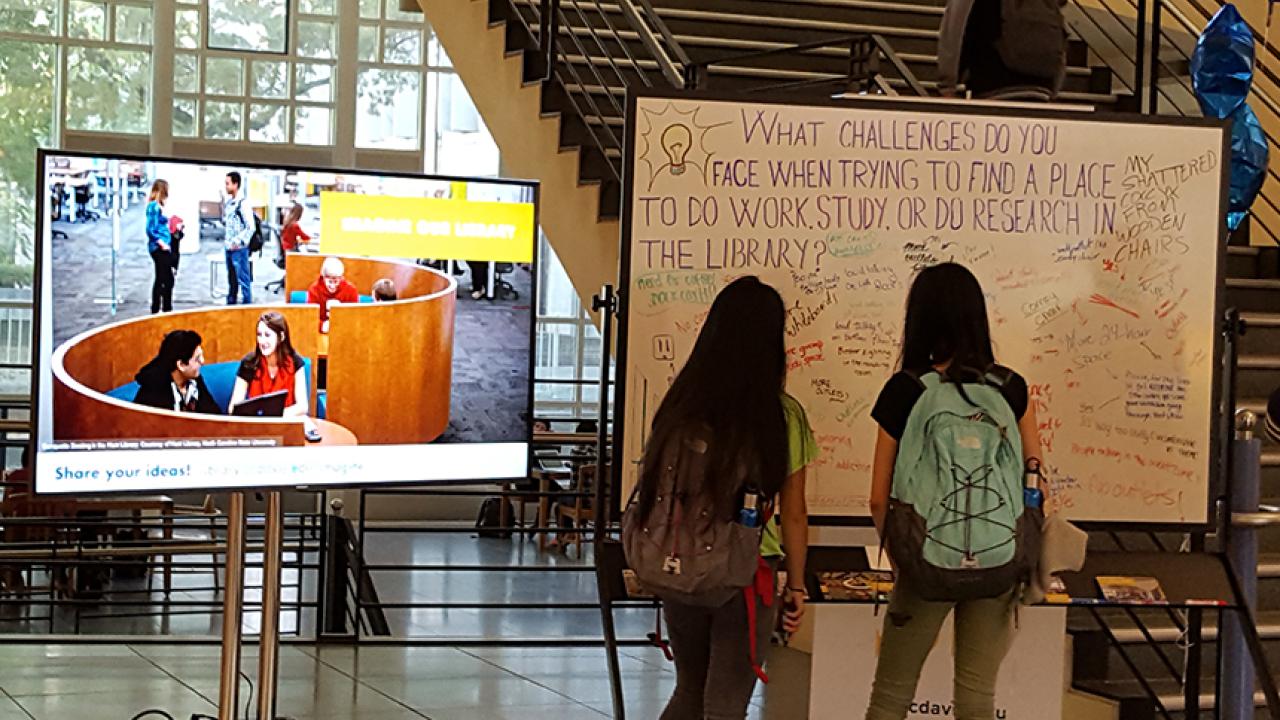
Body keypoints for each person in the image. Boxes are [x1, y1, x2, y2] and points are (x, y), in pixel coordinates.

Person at [864, 263, 1043, 720]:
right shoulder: (1011, 388)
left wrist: (909, 555)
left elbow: (878, 498)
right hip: (998, 563)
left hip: (925, 564)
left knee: (890, 698)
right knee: (977, 699)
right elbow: (1034, 483)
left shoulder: (905, 389)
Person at [634, 276, 813, 720]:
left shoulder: (679, 406)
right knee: (725, 706)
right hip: (746, 575)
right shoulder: (781, 415)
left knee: (689, 692)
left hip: (681, 564)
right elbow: (794, 512)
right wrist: (797, 584)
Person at [936, 0, 1066, 100]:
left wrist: (948, 83)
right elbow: (1057, 26)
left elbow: (956, 23)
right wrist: (1055, 84)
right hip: (1042, 85)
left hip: (992, 80)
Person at [230, 311, 309, 417]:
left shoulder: (296, 362)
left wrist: (274, 417)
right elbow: (233, 408)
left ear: (281, 337)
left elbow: (303, 407)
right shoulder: (249, 363)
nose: (262, 341)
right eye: (259, 335)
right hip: (256, 425)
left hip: (286, 423)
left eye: (267, 335)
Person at [133, 330, 223, 415]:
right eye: (197, 358)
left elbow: (213, 413)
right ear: (181, 365)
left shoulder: (195, 379)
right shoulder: (152, 394)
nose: (202, 361)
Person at [223, 171, 255, 305]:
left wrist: (238, 241)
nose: (225, 186)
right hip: (229, 248)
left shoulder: (243, 203)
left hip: (239, 249)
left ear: (235, 184)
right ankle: (231, 308)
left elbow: (250, 227)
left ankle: (246, 308)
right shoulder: (230, 203)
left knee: (243, 280)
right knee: (232, 281)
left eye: (228, 183)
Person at [307, 257, 359, 333]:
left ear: (341, 278)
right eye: (330, 281)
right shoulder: (314, 290)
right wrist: (322, 326)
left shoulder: (351, 290)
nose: (333, 285)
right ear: (323, 278)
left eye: (336, 281)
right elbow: (310, 318)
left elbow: (355, 317)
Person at [145, 180, 174, 314]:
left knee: (165, 277)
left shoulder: (157, 206)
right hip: (159, 247)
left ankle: (163, 307)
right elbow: (150, 229)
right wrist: (161, 242)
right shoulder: (154, 207)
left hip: (163, 246)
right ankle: (159, 308)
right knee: (163, 278)